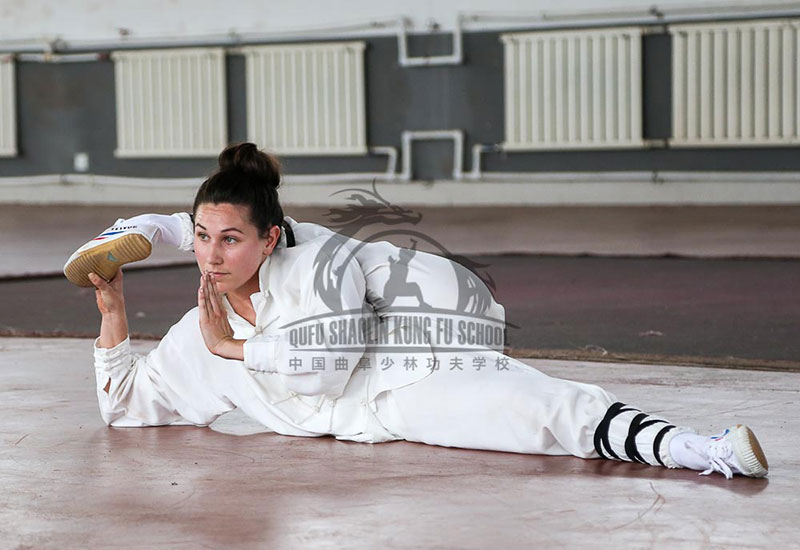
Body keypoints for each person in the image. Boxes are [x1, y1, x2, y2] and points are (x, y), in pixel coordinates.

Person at [70, 143, 769, 480]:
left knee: (543, 413)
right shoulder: (199, 331)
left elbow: (325, 372)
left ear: (270, 238)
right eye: (198, 238)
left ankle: (703, 450)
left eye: (230, 240)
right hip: (374, 421)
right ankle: (152, 222)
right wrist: (114, 310)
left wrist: (234, 351)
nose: (212, 259)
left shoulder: (315, 262)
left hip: (405, 367)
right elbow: (125, 407)